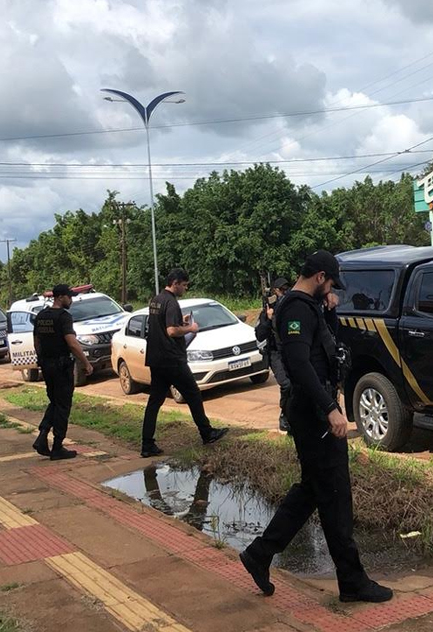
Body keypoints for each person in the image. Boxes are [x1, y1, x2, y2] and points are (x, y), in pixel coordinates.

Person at [240, 250, 393, 604]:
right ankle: (353, 582)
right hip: (313, 412)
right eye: (330, 283)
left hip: (315, 409)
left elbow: (326, 351)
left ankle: (260, 553)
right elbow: (298, 364)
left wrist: (331, 309)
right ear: (320, 276)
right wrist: (330, 409)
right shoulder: (294, 309)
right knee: (335, 495)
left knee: (314, 489)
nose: (331, 289)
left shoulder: (309, 308)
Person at [141, 268, 228, 457]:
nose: (185, 289)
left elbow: (163, 325)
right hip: (172, 359)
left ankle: (147, 444)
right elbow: (171, 331)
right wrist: (190, 327)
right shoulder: (171, 303)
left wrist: (181, 321)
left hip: (156, 359)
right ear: (175, 283)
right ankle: (207, 433)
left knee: (154, 401)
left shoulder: (155, 300)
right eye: (184, 285)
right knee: (194, 395)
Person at [31, 284, 93, 460]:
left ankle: (43, 436)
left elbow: (36, 341)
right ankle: (57, 446)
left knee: (54, 402)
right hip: (62, 366)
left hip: (47, 366)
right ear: (60, 297)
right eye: (69, 296)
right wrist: (86, 363)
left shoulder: (41, 316)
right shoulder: (64, 317)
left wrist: (42, 359)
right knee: (63, 405)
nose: (71, 300)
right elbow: (72, 343)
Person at [255, 277, 292, 432]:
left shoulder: (291, 307)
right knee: (286, 384)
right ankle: (284, 415)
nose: (285, 292)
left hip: (290, 352)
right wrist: (268, 319)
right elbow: (260, 335)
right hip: (275, 353)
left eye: (287, 289)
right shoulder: (268, 311)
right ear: (276, 291)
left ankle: (293, 415)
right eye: (282, 290)